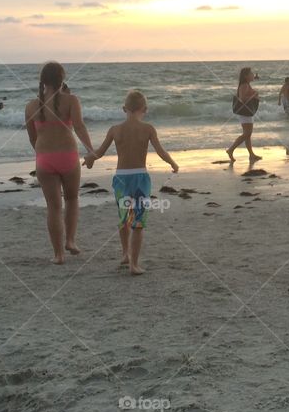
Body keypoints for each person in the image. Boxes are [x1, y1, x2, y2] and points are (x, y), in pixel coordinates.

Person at [84, 90, 178, 275]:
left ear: (123, 108)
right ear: (145, 109)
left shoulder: (115, 129)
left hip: (121, 178)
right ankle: (134, 264)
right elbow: (161, 151)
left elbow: (99, 152)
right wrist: (173, 163)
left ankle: (125, 254)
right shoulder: (148, 129)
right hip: (140, 178)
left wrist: (89, 159)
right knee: (138, 222)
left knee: (124, 217)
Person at [24, 62, 95, 264]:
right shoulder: (71, 100)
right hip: (68, 156)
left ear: (42, 81)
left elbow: (32, 138)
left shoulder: (31, 106)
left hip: (44, 159)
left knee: (53, 207)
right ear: (62, 79)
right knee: (71, 199)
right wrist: (91, 151)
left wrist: (42, 156)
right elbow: (79, 127)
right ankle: (70, 241)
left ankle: (58, 255)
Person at [227, 67, 261, 163]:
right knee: (247, 134)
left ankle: (251, 154)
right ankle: (231, 150)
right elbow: (242, 98)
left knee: (248, 135)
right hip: (245, 112)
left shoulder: (246, 84)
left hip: (247, 111)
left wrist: (254, 94)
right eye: (251, 73)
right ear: (246, 76)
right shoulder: (244, 85)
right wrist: (254, 94)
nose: (253, 75)